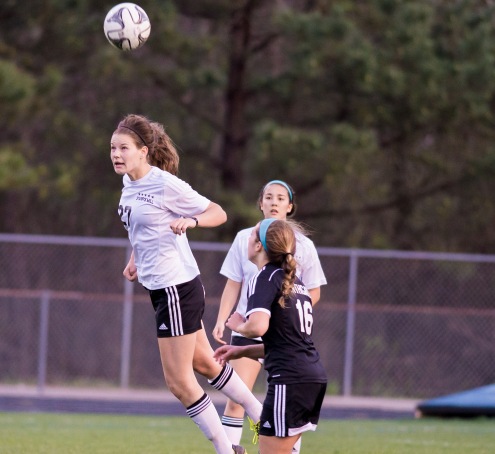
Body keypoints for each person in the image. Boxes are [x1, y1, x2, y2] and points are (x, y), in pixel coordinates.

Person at [110, 114, 262, 454]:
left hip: (176, 289)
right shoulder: (129, 184)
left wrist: (192, 220)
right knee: (206, 364)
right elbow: (143, 227)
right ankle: (264, 417)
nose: (116, 154)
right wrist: (135, 260)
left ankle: (227, 450)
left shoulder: (164, 184)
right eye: (113, 148)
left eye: (124, 148)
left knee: (179, 382)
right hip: (163, 289)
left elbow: (218, 212)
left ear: (143, 151)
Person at [212, 180, 326, 453]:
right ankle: (232, 447)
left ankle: (229, 450)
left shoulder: (270, 274)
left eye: (280, 198)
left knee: (276, 431)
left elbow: (263, 322)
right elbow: (233, 282)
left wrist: (246, 324)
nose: (274, 202)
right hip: (302, 360)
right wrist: (228, 325)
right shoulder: (255, 250)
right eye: (268, 197)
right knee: (239, 401)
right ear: (261, 203)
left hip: (283, 357)